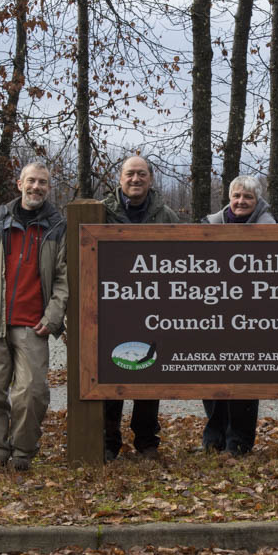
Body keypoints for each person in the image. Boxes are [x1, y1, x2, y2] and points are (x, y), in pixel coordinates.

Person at [0, 162, 68, 473]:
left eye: (43, 183)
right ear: (19, 183)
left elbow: (65, 280)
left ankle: (23, 451)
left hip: (33, 324)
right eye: (31, 181)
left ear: (48, 188)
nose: (36, 187)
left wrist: (52, 317)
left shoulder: (56, 227)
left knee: (32, 392)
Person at [102, 155, 179, 461]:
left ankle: (147, 440)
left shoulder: (167, 216)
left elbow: (181, 261)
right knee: (109, 374)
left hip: (153, 308)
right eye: (130, 174)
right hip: (110, 308)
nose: (135, 179)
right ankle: (108, 440)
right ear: (120, 178)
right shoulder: (101, 213)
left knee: (148, 371)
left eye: (142, 174)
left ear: (151, 179)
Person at [201, 175, 275, 455]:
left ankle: (239, 441)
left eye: (248, 197)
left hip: (252, 316)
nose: (241, 201)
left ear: (257, 202)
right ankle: (213, 439)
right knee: (209, 374)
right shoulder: (209, 225)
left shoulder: (270, 229)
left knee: (245, 376)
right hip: (211, 314)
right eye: (237, 196)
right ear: (229, 198)